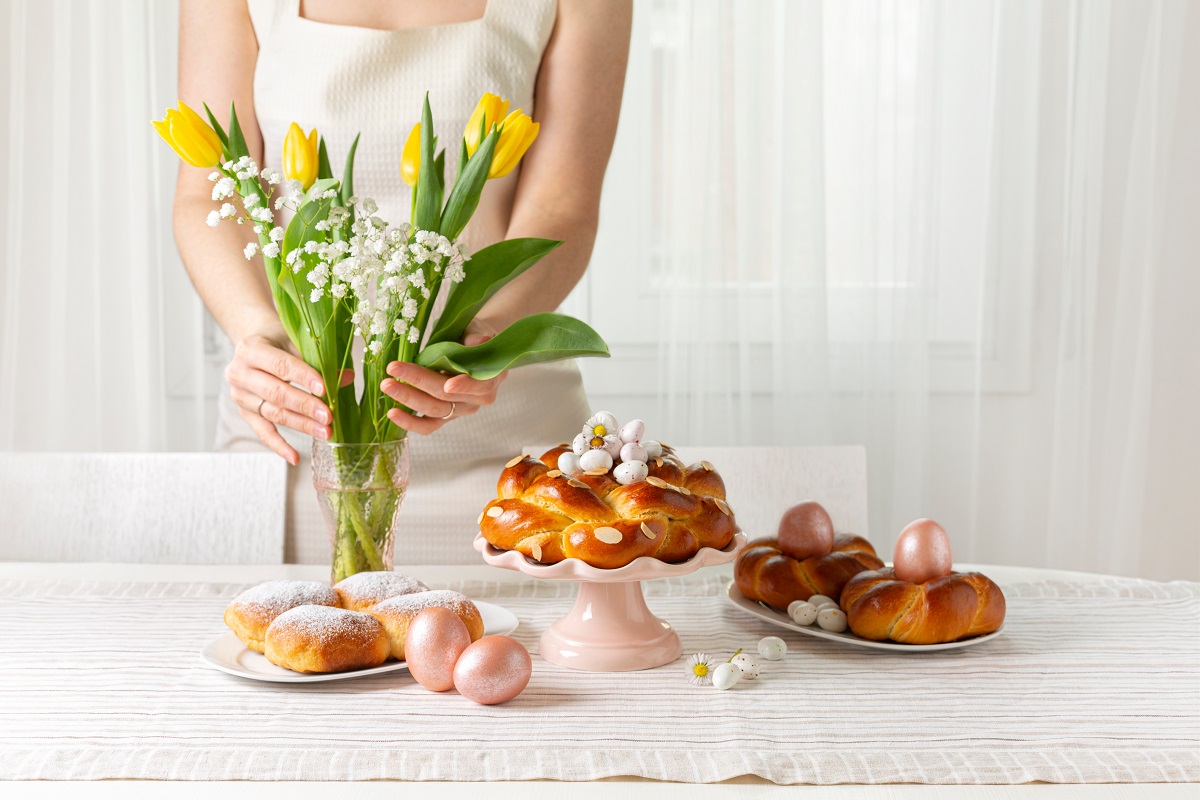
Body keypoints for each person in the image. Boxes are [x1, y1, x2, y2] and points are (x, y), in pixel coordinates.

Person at [172, 0, 631, 562]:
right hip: (289, 446)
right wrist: (258, 333)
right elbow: (206, 192)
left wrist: (487, 342)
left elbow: (562, 207)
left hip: (510, 462)